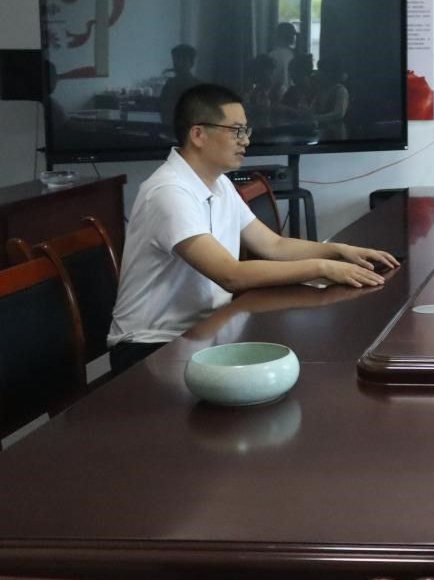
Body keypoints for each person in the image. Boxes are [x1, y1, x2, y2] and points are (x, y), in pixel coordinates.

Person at [108, 83, 399, 374]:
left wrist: (338, 251)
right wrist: (322, 267)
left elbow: (273, 245)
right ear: (198, 134)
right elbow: (230, 275)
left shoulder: (220, 183)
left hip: (205, 330)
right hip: (151, 346)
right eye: (236, 131)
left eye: (246, 131)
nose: (246, 140)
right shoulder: (168, 192)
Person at [157, 44, 199, 125]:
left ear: (191, 63)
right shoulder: (169, 84)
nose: (178, 64)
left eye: (183, 60)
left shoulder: (198, 87)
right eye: (176, 60)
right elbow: (162, 108)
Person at [267, 22, 298, 102]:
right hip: (293, 96)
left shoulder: (274, 55)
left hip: (278, 97)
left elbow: (275, 81)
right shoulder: (293, 54)